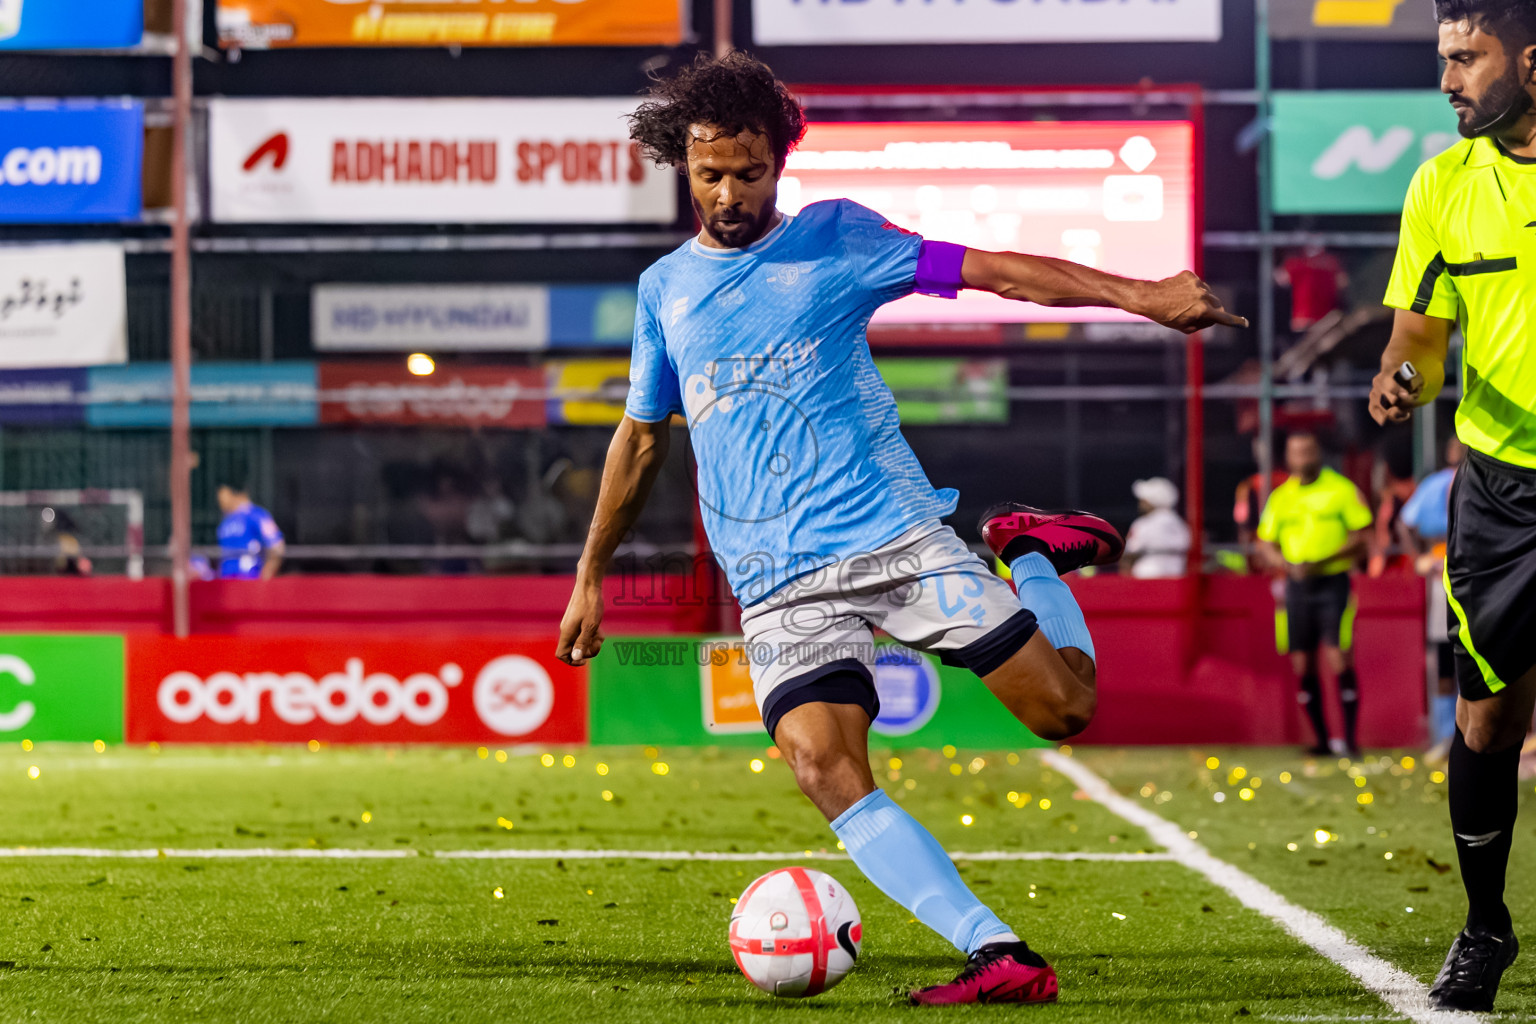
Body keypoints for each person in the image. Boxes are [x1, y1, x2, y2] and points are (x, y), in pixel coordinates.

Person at [554, 52, 1244, 1006]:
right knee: (821, 764)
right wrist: (591, 574)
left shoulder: (838, 239)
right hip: (776, 583)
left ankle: (1031, 551)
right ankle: (997, 952)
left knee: (1067, 710)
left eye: (749, 172)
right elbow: (639, 439)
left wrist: (1142, 296)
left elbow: (998, 273)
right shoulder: (664, 290)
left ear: (779, 161)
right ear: (684, 161)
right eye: (710, 173)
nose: (729, 193)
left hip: (893, 542)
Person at [1369, 0, 1536, 1007]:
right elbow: (1419, 339)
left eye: (1467, 58)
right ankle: (1485, 928)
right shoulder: (1442, 184)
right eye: (1444, 58)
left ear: (1532, 60)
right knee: (1487, 720)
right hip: (1504, 490)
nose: (1447, 81)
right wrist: (1403, 379)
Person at [1255, 432, 1373, 756]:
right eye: (1297, 452)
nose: (1303, 458)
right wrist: (1284, 563)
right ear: (1288, 457)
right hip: (1298, 586)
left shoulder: (1341, 490)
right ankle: (1321, 740)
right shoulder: (1281, 497)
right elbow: (1265, 542)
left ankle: (1349, 740)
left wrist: (1321, 560)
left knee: (1339, 656)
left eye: (1308, 451)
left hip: (1332, 582)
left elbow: (1362, 536)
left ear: (1318, 453)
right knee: (1302, 662)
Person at [1397, 437, 1467, 757]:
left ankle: (1467, 734)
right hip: (1445, 574)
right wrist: (1418, 558)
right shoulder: (1437, 484)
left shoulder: (1488, 481)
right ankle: (1446, 735)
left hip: (1480, 574)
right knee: (1445, 655)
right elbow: (1405, 523)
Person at [215, 475, 285, 580]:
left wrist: (264, 578)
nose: (219, 501)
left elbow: (277, 547)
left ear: (234, 493)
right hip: (226, 582)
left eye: (222, 495)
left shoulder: (256, 515)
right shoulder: (225, 521)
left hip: (249, 580)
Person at [1123, 477, 1191, 578]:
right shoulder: (1180, 523)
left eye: (1143, 500)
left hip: (1148, 577)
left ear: (1153, 500)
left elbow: (1130, 549)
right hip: (1176, 577)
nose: (1140, 503)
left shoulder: (1144, 523)